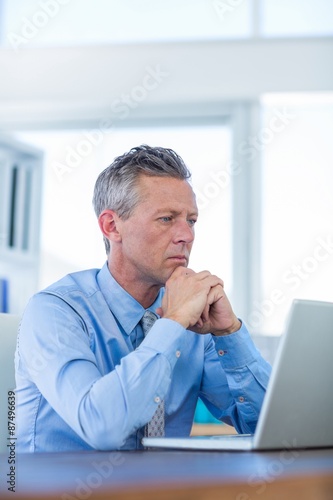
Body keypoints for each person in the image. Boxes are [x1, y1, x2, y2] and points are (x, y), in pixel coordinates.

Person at [15, 145, 271, 452]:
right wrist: (172, 324)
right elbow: (102, 427)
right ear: (112, 226)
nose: (186, 236)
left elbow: (269, 426)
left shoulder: (192, 322)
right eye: (166, 219)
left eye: (191, 220)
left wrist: (229, 332)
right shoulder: (55, 312)